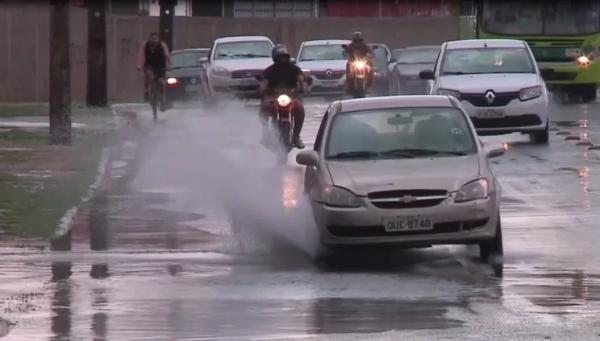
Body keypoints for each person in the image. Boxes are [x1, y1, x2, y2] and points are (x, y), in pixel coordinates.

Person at [259, 44, 308, 149]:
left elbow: (301, 80)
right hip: (273, 98)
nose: (283, 59)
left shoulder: (295, 69)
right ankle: (265, 133)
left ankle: (296, 136)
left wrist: (303, 87)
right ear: (275, 58)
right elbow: (264, 84)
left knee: (300, 108)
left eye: (284, 57)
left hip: (292, 97)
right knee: (264, 107)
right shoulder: (269, 71)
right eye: (280, 57)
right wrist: (262, 90)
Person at [136, 32, 171, 109]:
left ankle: (162, 99)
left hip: (160, 66)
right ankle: (147, 91)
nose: (153, 41)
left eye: (155, 39)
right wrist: (139, 65)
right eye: (152, 39)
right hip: (149, 65)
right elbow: (141, 55)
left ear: (158, 39)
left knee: (162, 83)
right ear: (149, 39)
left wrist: (169, 63)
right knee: (149, 75)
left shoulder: (162, 45)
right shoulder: (145, 45)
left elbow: (166, 54)